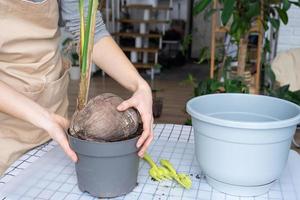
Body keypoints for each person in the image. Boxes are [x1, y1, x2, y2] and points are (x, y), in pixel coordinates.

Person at [0, 0, 154, 175]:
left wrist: (140, 85)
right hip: (6, 133)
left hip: (55, 123)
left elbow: (89, 29)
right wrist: (42, 117)